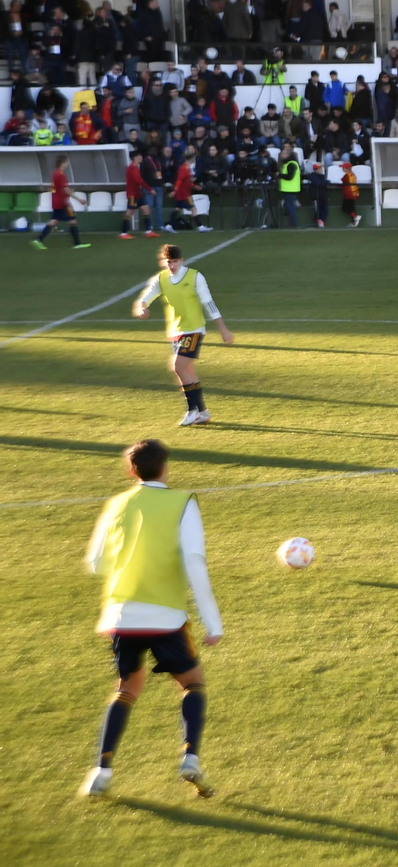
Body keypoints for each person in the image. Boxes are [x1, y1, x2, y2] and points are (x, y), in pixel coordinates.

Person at [78, 439, 224, 799]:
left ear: (132, 471)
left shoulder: (116, 504)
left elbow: (96, 563)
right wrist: (213, 622)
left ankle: (101, 771)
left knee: (127, 689)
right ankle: (190, 757)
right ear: (166, 467)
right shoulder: (182, 503)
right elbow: (195, 562)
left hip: (122, 615)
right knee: (192, 684)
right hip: (166, 617)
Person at [133, 244, 235, 426]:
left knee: (178, 367)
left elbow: (209, 303)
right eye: (168, 262)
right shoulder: (161, 278)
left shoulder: (195, 277)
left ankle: (192, 410)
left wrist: (223, 329)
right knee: (188, 371)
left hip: (193, 329)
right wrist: (142, 307)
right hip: (175, 331)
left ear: (181, 260)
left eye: (175, 261)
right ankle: (203, 412)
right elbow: (147, 296)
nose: (172, 265)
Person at [36, 154, 89, 250]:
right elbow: (66, 189)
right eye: (67, 162)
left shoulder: (55, 173)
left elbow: (57, 188)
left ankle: (39, 240)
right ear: (63, 162)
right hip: (63, 203)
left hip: (56, 202)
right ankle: (77, 243)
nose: (68, 164)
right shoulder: (61, 174)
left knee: (53, 222)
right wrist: (79, 199)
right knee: (73, 221)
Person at [121, 151, 154, 240]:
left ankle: (149, 231)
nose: (141, 157)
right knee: (130, 212)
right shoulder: (132, 168)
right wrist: (150, 189)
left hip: (138, 194)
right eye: (139, 155)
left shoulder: (136, 167)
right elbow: (139, 181)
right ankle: (123, 233)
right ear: (135, 158)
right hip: (133, 195)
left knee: (146, 210)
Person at [276, 148, 300, 229]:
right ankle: (292, 222)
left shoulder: (291, 164)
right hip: (288, 189)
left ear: (288, 155)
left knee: (290, 206)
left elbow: (289, 176)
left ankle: (293, 223)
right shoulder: (289, 164)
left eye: (283, 154)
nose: (281, 155)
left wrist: (279, 175)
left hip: (290, 189)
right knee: (288, 206)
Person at [340, 160, 362, 227]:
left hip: (349, 194)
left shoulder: (347, 175)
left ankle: (355, 217)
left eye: (343, 168)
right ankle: (354, 222)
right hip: (354, 193)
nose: (342, 169)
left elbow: (342, 182)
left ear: (347, 168)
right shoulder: (353, 174)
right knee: (351, 208)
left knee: (345, 208)